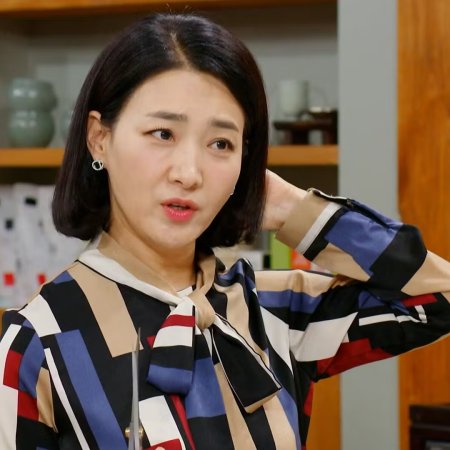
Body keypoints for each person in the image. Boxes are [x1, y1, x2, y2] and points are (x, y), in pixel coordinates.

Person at [0, 12, 449, 450]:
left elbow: (437, 301)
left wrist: (292, 209)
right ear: (99, 137)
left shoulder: (275, 310)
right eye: (162, 133)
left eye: (221, 143)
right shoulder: (36, 342)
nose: (189, 173)